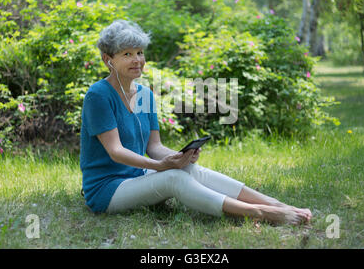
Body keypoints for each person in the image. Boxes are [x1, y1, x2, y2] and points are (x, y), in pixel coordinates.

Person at [79, 19, 312, 225]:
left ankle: (276, 204)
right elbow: (116, 151)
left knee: (190, 168)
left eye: (139, 52)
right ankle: (258, 212)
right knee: (173, 178)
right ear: (108, 60)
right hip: (107, 189)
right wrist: (161, 166)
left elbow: (154, 147)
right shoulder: (98, 95)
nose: (137, 60)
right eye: (127, 54)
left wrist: (179, 157)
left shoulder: (145, 94)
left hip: (138, 178)